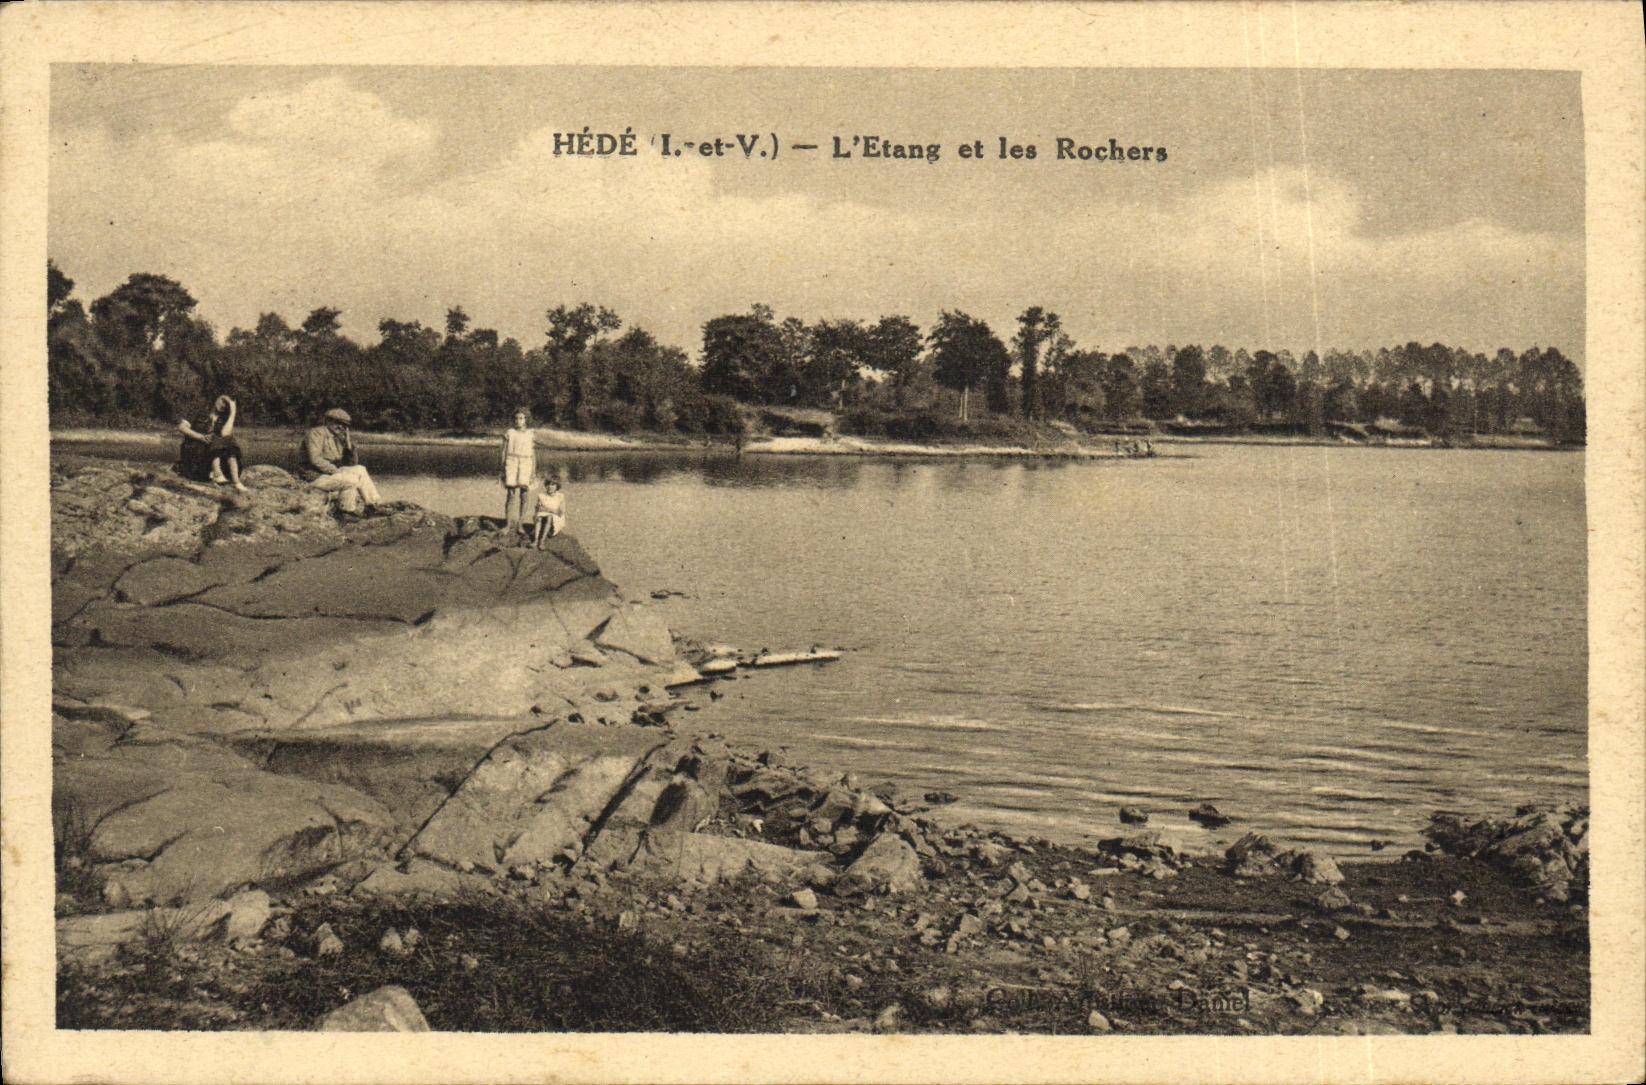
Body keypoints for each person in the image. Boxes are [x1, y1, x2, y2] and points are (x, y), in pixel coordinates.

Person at [299, 408, 382, 518]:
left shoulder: (338, 438)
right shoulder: (316, 434)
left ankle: (372, 506)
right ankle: (345, 511)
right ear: (328, 421)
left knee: (360, 469)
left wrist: (348, 443)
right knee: (351, 479)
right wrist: (335, 471)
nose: (341, 427)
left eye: (345, 425)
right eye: (337, 423)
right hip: (314, 476)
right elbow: (315, 459)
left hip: (329, 475)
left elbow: (351, 464)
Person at [178, 395, 247, 492]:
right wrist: (200, 437)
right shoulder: (199, 411)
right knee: (215, 438)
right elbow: (182, 427)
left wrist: (233, 412)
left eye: (227, 405)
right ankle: (217, 474)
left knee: (229, 440)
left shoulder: (223, 419)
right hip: (194, 452)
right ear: (216, 397)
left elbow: (225, 434)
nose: (223, 405)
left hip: (209, 455)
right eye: (223, 400)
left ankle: (236, 481)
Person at [500, 408, 536, 536]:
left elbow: (533, 454)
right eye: (516, 418)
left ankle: (520, 523)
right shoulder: (509, 433)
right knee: (511, 494)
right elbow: (503, 452)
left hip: (526, 463)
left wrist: (533, 472)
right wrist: (503, 468)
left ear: (526, 420)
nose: (518, 421)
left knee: (524, 494)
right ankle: (508, 524)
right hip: (512, 461)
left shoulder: (530, 433)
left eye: (521, 418)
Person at [531, 472, 566, 550]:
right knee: (539, 517)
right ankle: (535, 540)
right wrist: (551, 510)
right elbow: (538, 509)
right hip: (543, 516)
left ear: (557, 486)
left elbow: (561, 512)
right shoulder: (541, 495)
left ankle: (542, 541)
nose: (550, 487)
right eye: (548, 484)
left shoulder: (560, 496)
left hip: (556, 518)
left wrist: (547, 509)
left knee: (549, 517)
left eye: (553, 485)